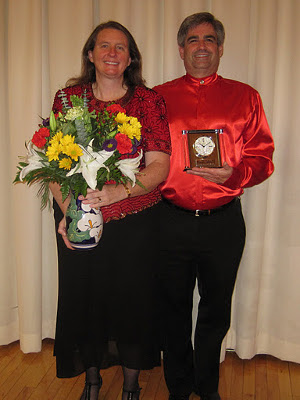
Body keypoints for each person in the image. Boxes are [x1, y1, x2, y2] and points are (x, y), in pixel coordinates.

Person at [154, 12, 274, 400]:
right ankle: (177, 386)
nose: (201, 46)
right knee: (172, 311)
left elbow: (263, 156)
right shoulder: (157, 98)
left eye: (209, 40)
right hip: (170, 221)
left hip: (223, 224)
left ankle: (207, 388)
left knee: (214, 312)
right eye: (192, 39)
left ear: (220, 49)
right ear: (180, 49)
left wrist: (236, 175)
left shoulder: (246, 97)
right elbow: (139, 157)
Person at [49, 21, 171, 400]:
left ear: (130, 57)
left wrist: (120, 192)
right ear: (91, 54)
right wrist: (69, 214)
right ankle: (92, 379)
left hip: (136, 221)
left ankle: (132, 386)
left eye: (121, 47)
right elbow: (52, 164)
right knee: (85, 299)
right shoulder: (68, 100)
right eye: (104, 46)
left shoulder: (148, 101)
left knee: (134, 300)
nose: (112, 53)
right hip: (81, 218)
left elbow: (159, 166)